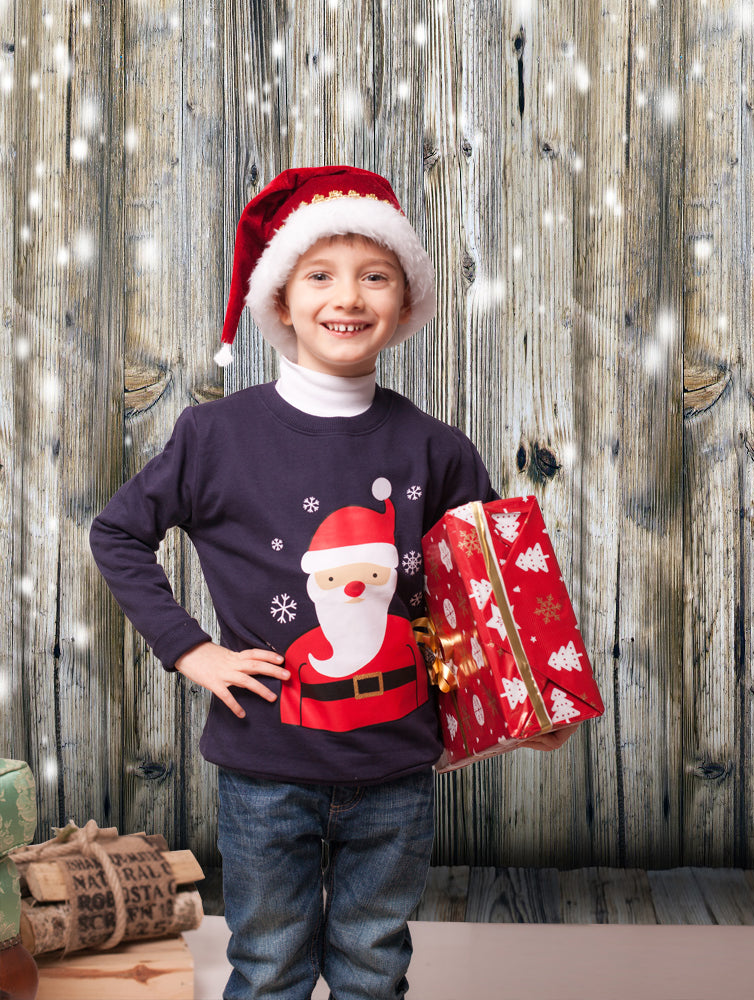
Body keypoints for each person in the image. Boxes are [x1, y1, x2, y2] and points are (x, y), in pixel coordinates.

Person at [90, 165, 575, 1000]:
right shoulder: (216, 436)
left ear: (405, 301)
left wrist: (525, 703)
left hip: (395, 771)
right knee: (269, 963)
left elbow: (488, 594)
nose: (346, 297)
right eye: (320, 275)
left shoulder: (438, 450)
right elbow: (117, 533)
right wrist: (192, 651)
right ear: (280, 300)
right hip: (265, 769)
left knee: (373, 961)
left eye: (374, 276)